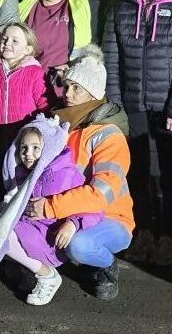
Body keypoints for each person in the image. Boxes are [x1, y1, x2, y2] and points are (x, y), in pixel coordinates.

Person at [104, 0, 172, 266]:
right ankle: (143, 231)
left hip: (166, 106)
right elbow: (112, 58)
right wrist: (116, 103)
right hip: (132, 105)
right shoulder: (121, 8)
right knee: (137, 170)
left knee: (169, 173)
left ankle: (168, 235)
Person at [22, 48, 133, 299]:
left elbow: (101, 194)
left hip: (110, 217)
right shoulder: (63, 125)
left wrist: (51, 208)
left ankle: (106, 266)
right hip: (65, 210)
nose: (67, 94)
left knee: (79, 246)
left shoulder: (109, 135)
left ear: (93, 94)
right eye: (67, 86)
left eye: (76, 88)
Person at [0, 116, 98, 305]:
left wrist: (72, 224)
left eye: (36, 147)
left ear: (49, 147)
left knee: (1, 237)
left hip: (49, 239)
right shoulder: (22, 175)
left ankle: (47, 274)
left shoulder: (66, 173)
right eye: (23, 148)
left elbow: (93, 207)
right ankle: (24, 266)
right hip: (27, 230)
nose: (28, 153)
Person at [16, 0, 101, 79]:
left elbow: (95, 44)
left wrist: (75, 68)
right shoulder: (25, 5)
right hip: (29, 83)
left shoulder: (86, 2)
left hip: (67, 85)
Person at [0, 22, 48, 130]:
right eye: (4, 39)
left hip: (24, 139)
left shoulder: (35, 73)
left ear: (27, 49)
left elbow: (44, 105)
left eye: (15, 41)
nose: (7, 43)